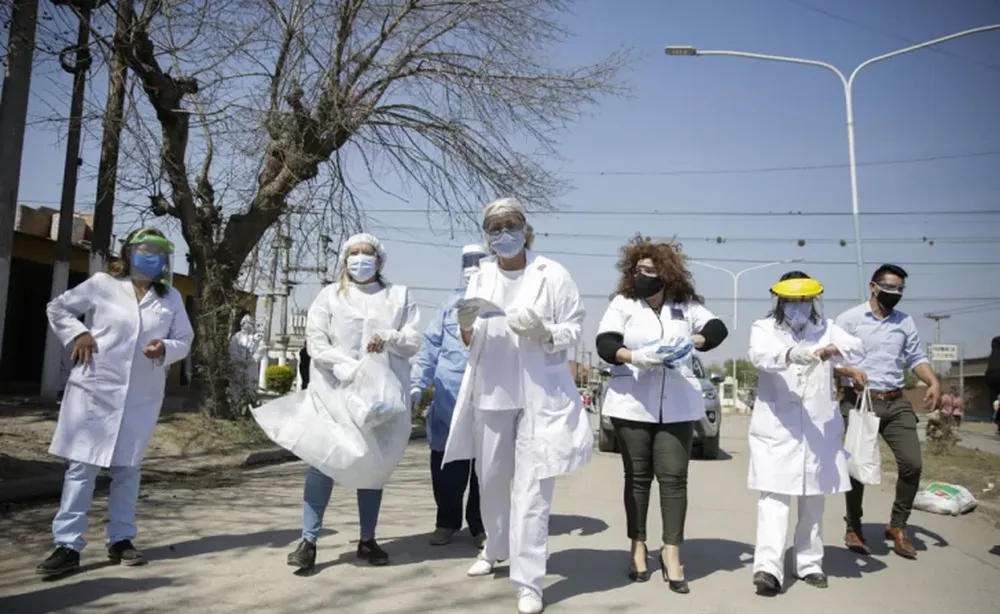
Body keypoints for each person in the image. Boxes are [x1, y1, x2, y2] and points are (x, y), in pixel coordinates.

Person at [441, 197, 592, 614]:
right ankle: (495, 547)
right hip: (492, 389)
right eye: (495, 228)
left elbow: (575, 326)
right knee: (490, 480)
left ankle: (529, 581)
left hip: (539, 394)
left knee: (532, 490)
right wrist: (466, 326)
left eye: (511, 226)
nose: (503, 234)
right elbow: (468, 336)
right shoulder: (482, 275)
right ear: (487, 236)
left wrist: (545, 331)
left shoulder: (552, 273)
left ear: (526, 229)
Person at [36, 228, 194, 577]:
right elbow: (58, 308)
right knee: (81, 469)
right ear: (128, 254)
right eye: (144, 250)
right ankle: (67, 545)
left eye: (158, 252)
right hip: (95, 392)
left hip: (140, 397)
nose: (151, 256)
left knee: (128, 470)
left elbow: (185, 339)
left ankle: (121, 540)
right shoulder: (102, 285)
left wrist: (165, 348)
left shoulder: (170, 299)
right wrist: (78, 332)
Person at [594, 235, 728, 592]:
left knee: (673, 479)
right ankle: (637, 546)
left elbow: (717, 329)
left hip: (679, 405)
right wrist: (634, 356)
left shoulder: (686, 305)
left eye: (651, 271)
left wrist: (694, 342)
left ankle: (671, 552)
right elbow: (605, 343)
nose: (644, 276)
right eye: (639, 270)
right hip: (632, 402)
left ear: (668, 274)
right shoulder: (623, 303)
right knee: (637, 478)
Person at [284, 233, 421, 571]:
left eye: (368, 253)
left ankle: (367, 539)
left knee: (373, 466)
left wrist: (390, 339)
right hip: (334, 392)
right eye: (354, 253)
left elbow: (413, 341)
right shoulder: (330, 296)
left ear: (380, 260)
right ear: (345, 259)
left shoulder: (398, 296)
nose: (361, 258)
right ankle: (309, 540)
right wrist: (344, 365)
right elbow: (315, 341)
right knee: (323, 462)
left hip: (379, 397)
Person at [747, 272, 865, 596]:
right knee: (773, 498)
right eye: (791, 300)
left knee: (814, 498)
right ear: (779, 300)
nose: (798, 307)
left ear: (813, 300)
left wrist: (832, 350)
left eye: (804, 300)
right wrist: (792, 354)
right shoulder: (764, 328)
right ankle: (767, 569)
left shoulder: (826, 329)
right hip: (777, 427)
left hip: (818, 428)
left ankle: (810, 563)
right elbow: (760, 356)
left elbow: (857, 351)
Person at [833, 264, 940, 559]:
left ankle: (897, 526)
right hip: (859, 402)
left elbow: (916, 356)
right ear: (873, 286)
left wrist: (932, 381)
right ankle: (853, 527)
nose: (894, 294)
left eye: (900, 289)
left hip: (895, 402)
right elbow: (830, 358)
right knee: (856, 468)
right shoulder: (850, 319)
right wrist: (849, 371)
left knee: (912, 464)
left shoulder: (904, 322)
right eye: (889, 288)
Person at [411, 244, 488, 548]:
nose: (473, 268)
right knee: (445, 465)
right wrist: (418, 384)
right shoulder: (448, 304)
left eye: (479, 262)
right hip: (448, 399)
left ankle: (480, 525)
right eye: (468, 262)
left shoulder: (499, 304)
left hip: (486, 397)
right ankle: (446, 521)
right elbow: (429, 348)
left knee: (485, 468)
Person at [228, 312, 265, 406]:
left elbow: (261, 350)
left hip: (251, 366)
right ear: (242, 324)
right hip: (238, 366)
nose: (248, 325)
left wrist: (253, 359)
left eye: (250, 323)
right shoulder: (236, 337)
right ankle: (236, 406)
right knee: (236, 387)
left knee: (251, 386)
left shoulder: (257, 337)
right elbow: (232, 350)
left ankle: (249, 406)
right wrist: (239, 359)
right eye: (246, 323)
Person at [985, 336, 1000, 435]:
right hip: (994, 377)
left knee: (994, 399)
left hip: (992, 378)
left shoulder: (992, 355)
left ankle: (997, 421)